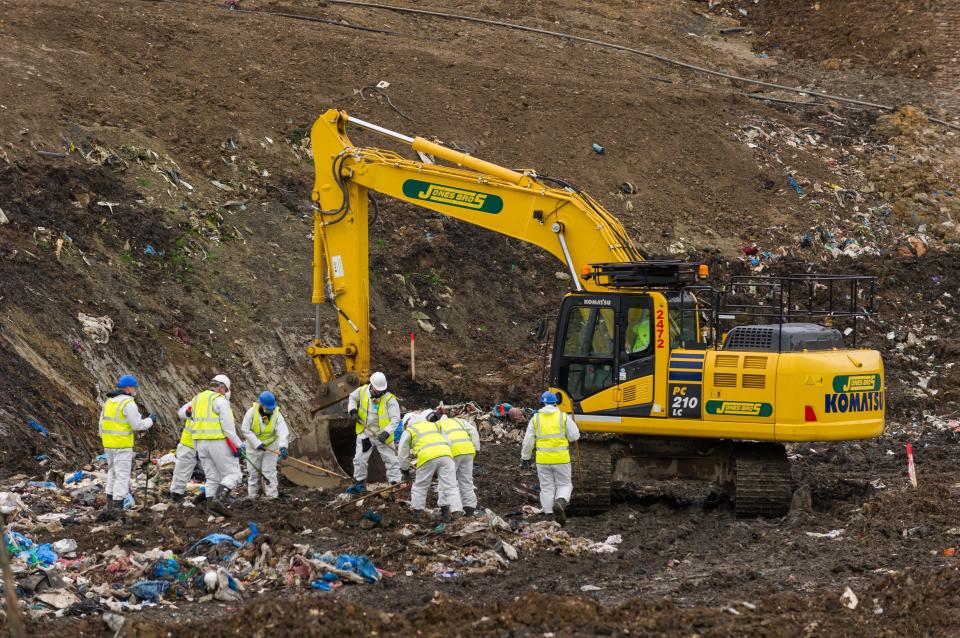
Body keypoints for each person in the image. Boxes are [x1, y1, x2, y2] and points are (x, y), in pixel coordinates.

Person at [177, 374, 243, 509]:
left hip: (200, 444)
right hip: (217, 442)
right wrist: (239, 445)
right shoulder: (220, 400)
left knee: (212, 478)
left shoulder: (197, 399)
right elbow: (228, 428)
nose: (225, 393)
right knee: (234, 474)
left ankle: (211, 508)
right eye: (225, 390)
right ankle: (218, 499)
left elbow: (183, 413)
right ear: (222, 388)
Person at [520, 391, 580, 526]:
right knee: (564, 484)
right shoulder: (563, 417)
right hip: (561, 459)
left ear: (542, 403)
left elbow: (528, 441)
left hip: (542, 460)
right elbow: (574, 436)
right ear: (556, 403)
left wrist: (525, 458)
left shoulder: (535, 419)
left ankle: (549, 515)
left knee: (546, 487)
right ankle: (560, 502)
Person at [99, 375, 156, 510]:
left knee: (112, 473)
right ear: (128, 388)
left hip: (109, 444)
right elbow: (137, 425)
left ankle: (110, 503)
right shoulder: (128, 403)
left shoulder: (109, 402)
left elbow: (101, 425)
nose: (135, 390)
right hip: (122, 444)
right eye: (134, 388)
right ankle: (118, 506)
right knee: (122, 475)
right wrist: (151, 420)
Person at [397, 410, 462, 521]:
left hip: (427, 457)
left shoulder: (410, 430)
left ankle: (418, 515)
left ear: (407, 422)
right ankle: (456, 514)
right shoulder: (433, 425)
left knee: (420, 486)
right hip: (446, 455)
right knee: (450, 486)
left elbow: (402, 452)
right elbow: (448, 441)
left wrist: (405, 470)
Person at [346, 372, 401, 492]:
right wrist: (353, 410)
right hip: (366, 433)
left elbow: (396, 419)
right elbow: (352, 398)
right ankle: (359, 483)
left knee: (391, 460)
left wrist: (386, 432)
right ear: (371, 385)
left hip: (383, 435)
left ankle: (395, 484)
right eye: (377, 390)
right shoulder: (362, 391)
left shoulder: (389, 399)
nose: (378, 393)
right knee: (360, 459)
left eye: (381, 391)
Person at [240, 390, 290, 499]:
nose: (270, 410)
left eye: (272, 408)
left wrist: (283, 447)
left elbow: (283, 431)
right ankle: (253, 496)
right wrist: (256, 443)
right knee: (254, 473)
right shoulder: (251, 412)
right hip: (254, 448)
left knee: (269, 472)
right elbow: (245, 429)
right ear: (261, 404)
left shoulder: (277, 414)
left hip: (271, 447)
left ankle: (272, 496)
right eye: (268, 408)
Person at [436, 409, 480, 516]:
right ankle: (469, 509)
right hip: (468, 451)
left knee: (447, 483)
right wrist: (476, 449)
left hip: (452, 453)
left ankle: (451, 511)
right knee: (466, 482)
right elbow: (473, 432)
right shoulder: (459, 421)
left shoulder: (436, 425)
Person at [169, 404, 199, 503]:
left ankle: (211, 496)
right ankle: (176, 496)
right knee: (181, 472)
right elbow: (182, 412)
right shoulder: (197, 400)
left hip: (203, 445)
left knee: (213, 473)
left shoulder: (220, 403)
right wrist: (187, 413)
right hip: (190, 444)